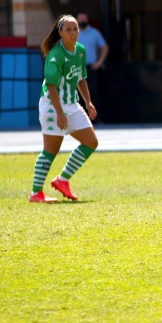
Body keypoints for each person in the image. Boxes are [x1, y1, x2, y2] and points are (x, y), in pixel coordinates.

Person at [29, 14, 99, 203]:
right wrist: (59, 113)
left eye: (75, 29)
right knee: (51, 150)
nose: (73, 33)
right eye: (68, 30)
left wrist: (88, 101)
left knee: (91, 142)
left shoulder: (81, 51)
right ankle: (36, 193)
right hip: (53, 105)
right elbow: (51, 85)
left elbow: (81, 78)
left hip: (72, 103)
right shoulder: (55, 54)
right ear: (60, 32)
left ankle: (62, 180)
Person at [76, 13, 109, 118]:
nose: (82, 21)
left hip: (91, 68)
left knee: (94, 92)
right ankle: (80, 118)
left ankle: (97, 118)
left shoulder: (94, 33)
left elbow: (104, 47)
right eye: (80, 19)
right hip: (77, 68)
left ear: (88, 19)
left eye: (84, 18)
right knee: (78, 94)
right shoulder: (74, 33)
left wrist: (100, 62)